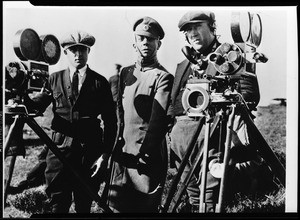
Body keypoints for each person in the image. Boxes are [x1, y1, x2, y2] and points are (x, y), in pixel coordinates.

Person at [168, 11, 273, 213]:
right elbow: (174, 105)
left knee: (210, 200)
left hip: (214, 133)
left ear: (212, 27)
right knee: (192, 196)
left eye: (197, 26)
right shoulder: (183, 65)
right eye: (188, 30)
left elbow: (249, 96)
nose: (193, 33)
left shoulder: (233, 56)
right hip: (182, 137)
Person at [25, 30, 117, 213]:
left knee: (84, 203)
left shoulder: (100, 82)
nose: (78, 54)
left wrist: (104, 155)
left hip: (89, 154)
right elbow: (36, 107)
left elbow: (111, 121)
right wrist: (22, 93)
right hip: (59, 153)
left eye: (82, 50)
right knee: (57, 203)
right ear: (65, 52)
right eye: (73, 50)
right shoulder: (54, 79)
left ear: (88, 52)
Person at [94, 16, 174, 213]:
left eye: (151, 39)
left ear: (159, 43)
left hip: (145, 158)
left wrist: (144, 155)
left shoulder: (163, 77)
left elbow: (157, 122)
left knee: (142, 209)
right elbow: (119, 117)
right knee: (115, 208)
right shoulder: (125, 73)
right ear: (134, 43)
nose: (145, 43)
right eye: (141, 38)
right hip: (121, 155)